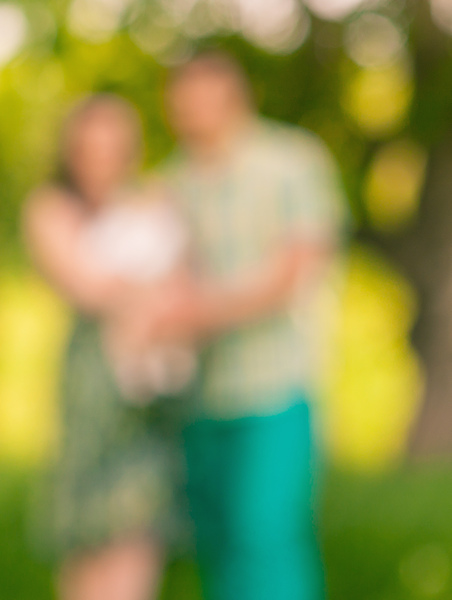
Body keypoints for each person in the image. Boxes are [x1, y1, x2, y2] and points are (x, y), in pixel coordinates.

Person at [150, 51, 346, 600]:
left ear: (231, 96)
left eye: (196, 99)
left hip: (274, 391)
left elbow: (296, 274)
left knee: (265, 538)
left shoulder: (292, 161)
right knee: (217, 542)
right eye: (178, 101)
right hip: (196, 396)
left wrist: (195, 312)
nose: (185, 112)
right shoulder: (171, 180)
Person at [23, 95, 191, 600]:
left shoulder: (154, 200)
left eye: (113, 150)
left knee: (139, 518)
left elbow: (184, 283)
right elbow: (86, 285)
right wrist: (146, 289)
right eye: (89, 150)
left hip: (154, 380)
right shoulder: (52, 207)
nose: (102, 163)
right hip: (91, 381)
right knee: (85, 534)